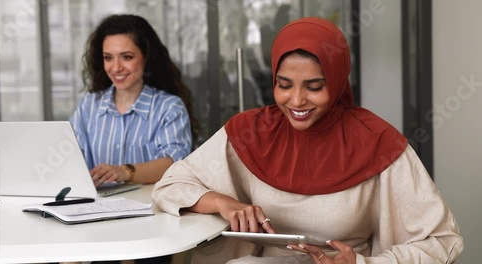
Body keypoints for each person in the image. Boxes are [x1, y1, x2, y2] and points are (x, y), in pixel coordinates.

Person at [151, 17, 464, 263]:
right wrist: (225, 204)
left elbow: (443, 241)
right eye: (283, 84)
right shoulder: (250, 131)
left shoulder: (377, 141)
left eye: (314, 86)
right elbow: (169, 187)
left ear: (339, 81)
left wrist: (362, 263)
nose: (296, 100)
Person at [69, 14, 200, 188]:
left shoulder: (169, 108)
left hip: (152, 210)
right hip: (97, 209)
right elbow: (69, 160)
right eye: (108, 58)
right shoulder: (88, 107)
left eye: (127, 57)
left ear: (146, 58)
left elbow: (174, 164)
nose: (116, 68)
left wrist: (124, 172)